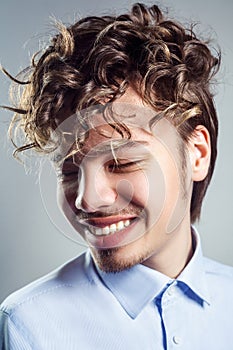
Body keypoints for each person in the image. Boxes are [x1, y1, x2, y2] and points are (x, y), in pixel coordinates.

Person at [0, 2, 232, 349]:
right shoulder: (29, 326)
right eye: (69, 171)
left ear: (197, 154)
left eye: (120, 163)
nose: (86, 199)